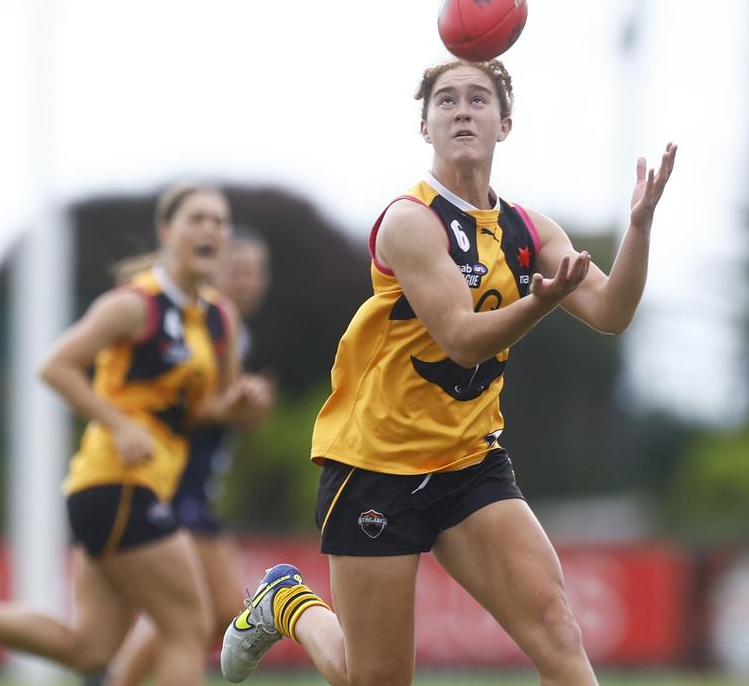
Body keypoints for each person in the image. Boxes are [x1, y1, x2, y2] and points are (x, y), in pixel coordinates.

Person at [218, 59, 676, 686]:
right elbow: (461, 340)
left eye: (479, 100)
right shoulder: (412, 221)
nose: (463, 110)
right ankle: (286, 603)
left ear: (504, 123)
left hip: (467, 463)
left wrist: (640, 230)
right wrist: (539, 301)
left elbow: (611, 311)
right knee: (372, 677)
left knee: (559, 637)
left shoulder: (527, 229)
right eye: (447, 101)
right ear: (426, 125)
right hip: (375, 465)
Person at [0, 184, 268, 686]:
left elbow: (207, 408)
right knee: (187, 627)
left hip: (127, 492)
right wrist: (118, 423)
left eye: (219, 221)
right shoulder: (134, 305)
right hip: (117, 483)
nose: (211, 229)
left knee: (90, 647)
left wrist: (238, 402)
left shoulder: (220, 319)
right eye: (197, 219)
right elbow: (56, 366)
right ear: (167, 232)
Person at [108, 227, 276, 686]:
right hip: (174, 483)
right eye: (239, 271)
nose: (250, 282)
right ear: (214, 271)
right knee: (209, 614)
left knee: (201, 615)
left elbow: (230, 417)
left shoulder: (231, 334)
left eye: (258, 273)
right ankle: (115, 677)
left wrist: (251, 407)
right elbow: (185, 408)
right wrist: (234, 403)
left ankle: (114, 677)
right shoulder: (199, 328)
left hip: (197, 488)